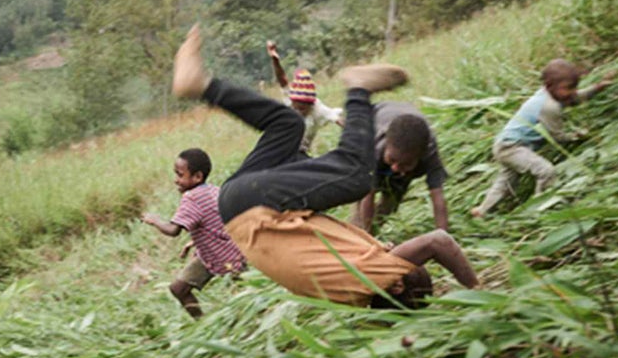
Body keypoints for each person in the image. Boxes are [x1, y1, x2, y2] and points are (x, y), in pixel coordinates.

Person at [174, 25, 478, 308]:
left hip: (256, 206)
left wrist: (480, 295)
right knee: (289, 123)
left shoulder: (375, 275)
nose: (400, 255)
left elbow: (439, 243)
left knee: (358, 175)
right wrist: (377, 246)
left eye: (410, 265)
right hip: (239, 203)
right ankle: (202, 85)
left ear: (397, 285)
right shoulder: (350, 290)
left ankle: (358, 89)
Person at [470, 59, 615, 217]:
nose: (573, 92)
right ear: (549, 85)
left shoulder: (551, 94)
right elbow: (557, 136)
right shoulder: (549, 106)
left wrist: (597, 88)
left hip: (504, 144)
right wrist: (579, 136)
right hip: (512, 148)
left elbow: (574, 98)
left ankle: (482, 211)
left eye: (575, 87)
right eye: (568, 88)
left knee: (505, 183)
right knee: (546, 171)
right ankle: (540, 209)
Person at [141, 147, 246, 318]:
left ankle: (213, 323)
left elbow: (173, 230)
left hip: (226, 256)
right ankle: (205, 325)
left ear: (197, 176)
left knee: (243, 295)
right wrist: (194, 242)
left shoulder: (191, 198)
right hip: (221, 253)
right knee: (179, 287)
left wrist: (154, 220)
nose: (176, 180)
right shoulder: (213, 190)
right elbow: (217, 222)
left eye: (180, 175)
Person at [352, 102, 450, 234]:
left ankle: (372, 232)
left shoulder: (429, 154)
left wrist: (443, 235)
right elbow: (367, 196)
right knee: (361, 208)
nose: (395, 168)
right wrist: (366, 234)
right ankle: (358, 235)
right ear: (387, 145)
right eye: (392, 160)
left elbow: (438, 197)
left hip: (406, 132)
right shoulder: (373, 148)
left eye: (405, 164)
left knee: (391, 201)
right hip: (368, 123)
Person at [266, 40, 343, 154]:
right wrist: (275, 60)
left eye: (302, 109)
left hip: (301, 152)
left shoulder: (318, 109)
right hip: (282, 147)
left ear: (310, 105)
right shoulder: (290, 99)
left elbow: (337, 119)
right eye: (296, 108)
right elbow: (282, 79)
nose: (298, 112)